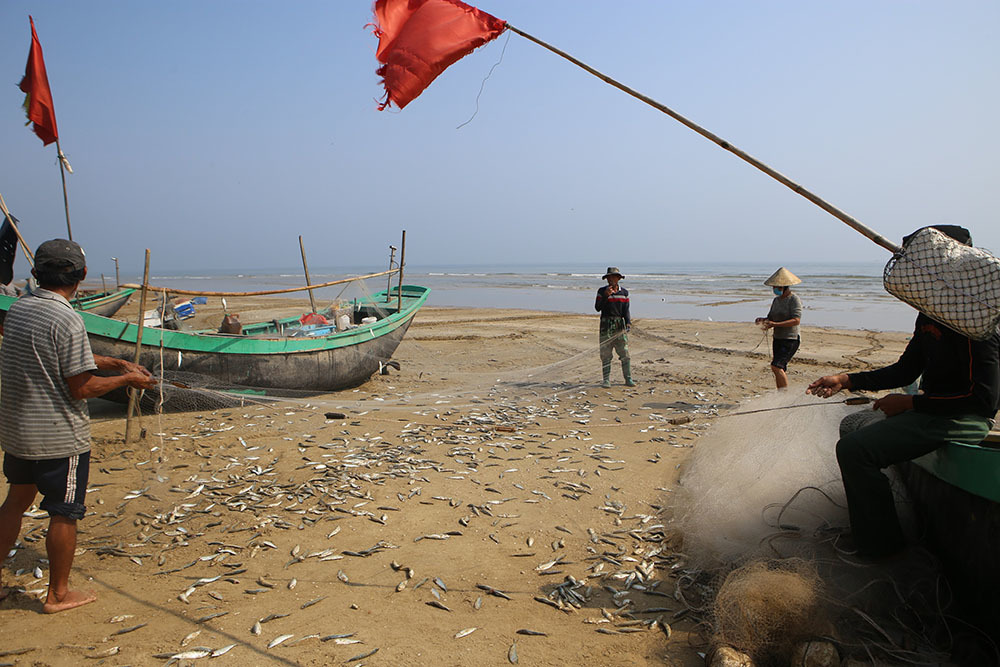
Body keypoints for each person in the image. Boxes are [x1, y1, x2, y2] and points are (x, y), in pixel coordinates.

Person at [807, 226, 1000, 559]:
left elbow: (985, 400)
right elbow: (906, 370)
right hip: (931, 410)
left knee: (855, 451)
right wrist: (847, 378)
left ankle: (881, 549)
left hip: (960, 418)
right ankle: (874, 519)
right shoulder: (930, 313)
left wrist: (910, 402)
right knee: (851, 427)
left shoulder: (975, 322)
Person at [0, 239, 156, 613]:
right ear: (82, 275)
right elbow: (83, 387)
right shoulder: (67, 318)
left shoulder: (20, 308)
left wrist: (117, 364)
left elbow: (62, 356)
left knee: (15, 502)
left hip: (18, 432)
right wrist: (127, 381)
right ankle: (57, 594)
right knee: (64, 512)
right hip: (57, 438)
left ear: (35, 273)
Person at [756, 267, 802, 389]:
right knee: (779, 368)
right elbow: (770, 317)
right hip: (778, 338)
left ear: (784, 287)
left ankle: (784, 396)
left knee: (777, 366)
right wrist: (763, 321)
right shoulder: (776, 300)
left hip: (790, 339)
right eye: (773, 287)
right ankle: (781, 391)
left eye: (776, 287)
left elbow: (796, 320)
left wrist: (775, 325)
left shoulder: (794, 299)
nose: (774, 289)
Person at [595, 267, 635, 388]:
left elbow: (626, 310)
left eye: (613, 277)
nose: (611, 280)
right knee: (606, 354)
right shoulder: (602, 291)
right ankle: (606, 380)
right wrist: (606, 296)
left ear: (618, 279)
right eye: (609, 278)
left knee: (624, 353)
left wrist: (628, 323)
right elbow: (597, 308)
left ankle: (628, 379)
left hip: (619, 324)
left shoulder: (624, 293)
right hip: (606, 324)